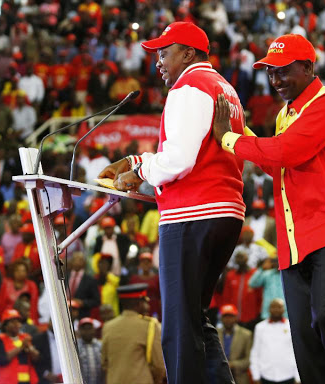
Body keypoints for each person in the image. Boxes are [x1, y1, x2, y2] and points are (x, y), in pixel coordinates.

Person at [213, 33, 325, 383]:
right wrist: (239, 133)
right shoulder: (285, 115)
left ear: (308, 67)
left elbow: (285, 152)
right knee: (304, 338)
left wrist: (229, 138)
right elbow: (277, 163)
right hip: (294, 239)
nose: (276, 80)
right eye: (271, 73)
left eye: (284, 71)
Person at [99, 22, 246, 384]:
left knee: (179, 328)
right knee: (194, 320)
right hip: (225, 210)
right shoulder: (223, 88)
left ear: (188, 53)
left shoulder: (188, 86)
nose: (159, 63)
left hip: (193, 213)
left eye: (164, 53)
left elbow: (179, 161)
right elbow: (190, 151)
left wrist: (143, 171)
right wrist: (139, 164)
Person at [101, 283, 166, 384]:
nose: (148, 306)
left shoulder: (108, 326)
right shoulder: (149, 326)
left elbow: (104, 363)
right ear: (139, 304)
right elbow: (159, 366)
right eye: (146, 302)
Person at [249, 299, 300, 384]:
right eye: (273, 307)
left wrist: (298, 377)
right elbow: (255, 352)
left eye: (279, 307)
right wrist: (256, 376)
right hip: (266, 375)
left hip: (288, 375)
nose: (276, 309)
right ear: (268, 309)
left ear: (284, 309)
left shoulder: (291, 326)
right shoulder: (260, 327)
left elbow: (297, 352)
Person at [0, 309, 39, 384]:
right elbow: (1, 360)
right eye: (12, 322)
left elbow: (36, 358)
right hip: (7, 380)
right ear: (5, 325)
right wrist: (21, 347)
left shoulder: (25, 337)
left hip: (27, 380)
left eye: (17, 321)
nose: (16, 324)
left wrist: (30, 349)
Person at [217, 304, 253, 384]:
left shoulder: (246, 334)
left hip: (239, 377)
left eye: (231, 316)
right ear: (221, 318)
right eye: (225, 316)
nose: (228, 319)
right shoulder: (215, 333)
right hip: (218, 377)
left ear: (236, 317)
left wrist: (232, 365)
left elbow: (249, 360)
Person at [77, 317, 103, 384]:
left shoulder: (100, 345)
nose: (87, 331)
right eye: (84, 329)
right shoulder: (76, 347)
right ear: (79, 330)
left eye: (89, 328)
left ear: (94, 330)